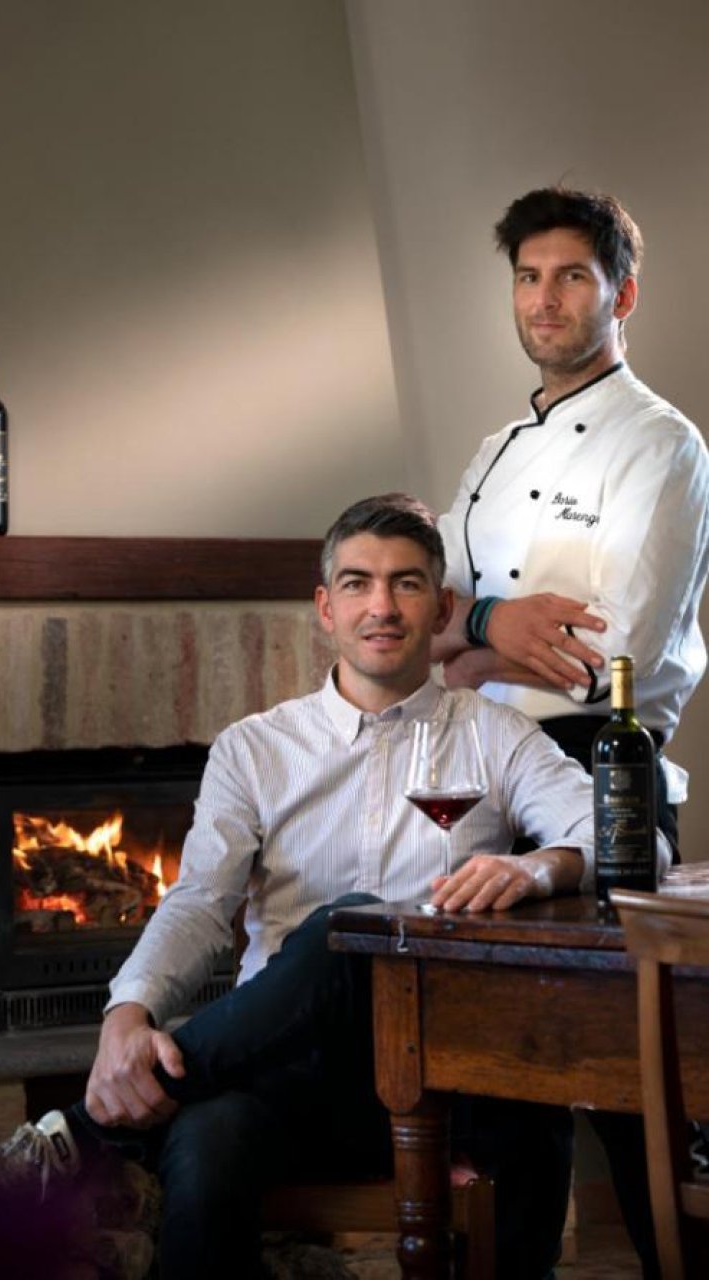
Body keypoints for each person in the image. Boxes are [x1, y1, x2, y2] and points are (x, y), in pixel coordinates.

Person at [0, 494, 669, 1280]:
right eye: (357, 583)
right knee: (211, 1139)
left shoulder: (496, 737)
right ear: (326, 608)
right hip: (283, 1074)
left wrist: (535, 866)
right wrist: (129, 1014)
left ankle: (86, 1133)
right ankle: (116, 1119)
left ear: (441, 610)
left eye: (406, 584)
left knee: (361, 932)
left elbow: (637, 844)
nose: (381, 606)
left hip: (444, 1077)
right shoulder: (253, 749)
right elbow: (198, 904)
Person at [434, 185, 709, 1275]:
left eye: (571, 277)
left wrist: (471, 641)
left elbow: (614, 653)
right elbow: (424, 619)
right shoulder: (494, 449)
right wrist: (490, 626)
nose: (543, 299)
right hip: (485, 782)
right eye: (526, 276)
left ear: (620, 295)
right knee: (505, 1091)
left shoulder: (663, 446)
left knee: (637, 1094)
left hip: (606, 783)